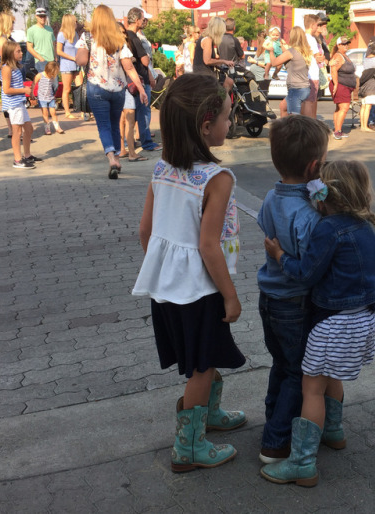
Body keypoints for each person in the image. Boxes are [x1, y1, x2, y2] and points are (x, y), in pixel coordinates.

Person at [132, 74, 246, 472]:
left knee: (205, 355)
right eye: (227, 117)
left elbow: (145, 231)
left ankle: (208, 416)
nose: (229, 124)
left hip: (167, 290)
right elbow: (208, 244)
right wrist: (230, 295)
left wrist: (165, 273)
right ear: (205, 125)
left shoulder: (162, 169)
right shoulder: (218, 179)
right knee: (200, 368)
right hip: (202, 291)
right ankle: (189, 447)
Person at [261, 160, 375, 487]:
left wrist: (278, 255)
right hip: (362, 321)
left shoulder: (328, 229)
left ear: (323, 193)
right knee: (332, 378)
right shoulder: (365, 226)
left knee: (311, 388)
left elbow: (305, 272)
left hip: (332, 324)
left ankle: (302, 464)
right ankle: (334, 432)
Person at [257, 115, 331, 464]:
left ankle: (273, 421)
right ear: (314, 166)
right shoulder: (307, 215)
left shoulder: (272, 196)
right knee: (297, 372)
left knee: (281, 364)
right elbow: (307, 268)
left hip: (268, 299)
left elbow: (264, 227)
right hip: (293, 303)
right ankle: (275, 442)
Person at [75, 5, 148, 179]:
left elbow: (81, 60)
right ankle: (117, 157)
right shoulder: (118, 40)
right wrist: (140, 88)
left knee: (104, 125)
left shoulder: (87, 38)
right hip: (118, 90)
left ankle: (111, 158)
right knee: (115, 124)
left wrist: (81, 55)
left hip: (96, 87)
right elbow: (129, 67)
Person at [1, 41, 41, 169]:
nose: (21, 53)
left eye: (20, 50)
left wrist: (27, 91)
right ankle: (17, 160)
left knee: (29, 129)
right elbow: (6, 90)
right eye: (18, 51)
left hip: (19, 103)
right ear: (10, 53)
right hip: (13, 105)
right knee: (17, 132)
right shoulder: (7, 68)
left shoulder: (16, 67)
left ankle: (27, 155)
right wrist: (24, 90)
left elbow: (16, 85)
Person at [126, 8, 161, 154]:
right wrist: (145, 57)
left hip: (130, 79)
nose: (143, 21)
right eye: (142, 18)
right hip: (139, 78)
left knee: (129, 114)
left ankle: (127, 143)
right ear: (136, 20)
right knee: (144, 112)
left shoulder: (126, 36)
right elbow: (145, 61)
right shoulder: (134, 37)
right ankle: (147, 143)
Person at [117, 22, 148, 162]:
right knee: (129, 119)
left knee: (122, 120)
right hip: (126, 87)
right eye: (121, 32)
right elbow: (129, 67)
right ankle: (132, 153)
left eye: (124, 32)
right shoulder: (122, 48)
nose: (124, 34)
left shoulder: (109, 47)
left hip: (118, 87)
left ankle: (122, 149)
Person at [265, 26, 313, 115]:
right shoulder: (304, 51)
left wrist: (271, 51)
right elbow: (286, 53)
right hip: (304, 87)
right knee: (283, 106)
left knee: (293, 117)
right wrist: (281, 45)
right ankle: (283, 128)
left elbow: (275, 62)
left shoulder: (292, 51)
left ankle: (291, 128)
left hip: (296, 88)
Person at [0, 12, 15, 138]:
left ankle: (13, 130)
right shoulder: (1, 40)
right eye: (11, 22)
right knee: (10, 102)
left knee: (9, 101)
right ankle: (13, 130)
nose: (13, 24)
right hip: (5, 73)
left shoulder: (5, 38)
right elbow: (6, 58)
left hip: (5, 72)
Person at [193, 17, 235, 90]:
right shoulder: (207, 40)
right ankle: (222, 100)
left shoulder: (206, 38)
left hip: (203, 73)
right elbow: (207, 61)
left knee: (229, 82)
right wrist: (224, 61)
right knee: (228, 83)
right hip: (204, 75)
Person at [329, 36, 356, 140]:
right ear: (338, 45)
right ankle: (337, 132)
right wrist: (336, 83)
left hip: (345, 86)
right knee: (344, 108)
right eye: (343, 44)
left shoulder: (344, 55)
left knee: (339, 108)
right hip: (341, 86)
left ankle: (337, 129)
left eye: (347, 43)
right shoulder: (338, 56)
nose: (346, 46)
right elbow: (333, 70)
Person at [57, 14, 79, 119]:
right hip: (66, 65)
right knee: (67, 89)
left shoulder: (76, 35)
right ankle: (67, 112)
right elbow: (58, 51)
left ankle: (83, 110)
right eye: (75, 21)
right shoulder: (61, 35)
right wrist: (72, 58)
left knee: (80, 88)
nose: (76, 23)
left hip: (77, 65)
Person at [300, 14, 322, 118]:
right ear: (313, 25)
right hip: (312, 75)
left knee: (303, 101)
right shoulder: (311, 39)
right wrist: (326, 60)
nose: (318, 28)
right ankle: (308, 126)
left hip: (303, 74)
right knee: (310, 102)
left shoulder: (301, 37)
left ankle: (302, 125)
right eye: (317, 25)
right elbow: (318, 57)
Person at [34, 61, 64, 135]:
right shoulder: (40, 75)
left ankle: (57, 127)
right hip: (42, 98)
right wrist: (32, 92)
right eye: (52, 73)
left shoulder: (51, 76)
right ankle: (47, 128)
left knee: (53, 113)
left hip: (50, 97)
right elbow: (33, 83)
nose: (53, 75)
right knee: (45, 113)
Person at [359, 42, 375, 132]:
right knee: (368, 107)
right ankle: (365, 127)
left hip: (364, 84)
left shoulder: (366, 59)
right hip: (372, 85)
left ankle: (362, 126)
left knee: (363, 106)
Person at [26, 7, 55, 74]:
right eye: (40, 16)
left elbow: (53, 44)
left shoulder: (50, 29)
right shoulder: (31, 30)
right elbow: (29, 47)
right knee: (45, 82)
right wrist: (40, 58)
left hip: (51, 61)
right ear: (36, 16)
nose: (43, 18)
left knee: (55, 84)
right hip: (41, 61)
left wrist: (55, 57)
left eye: (44, 16)